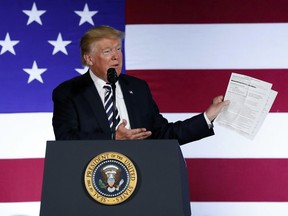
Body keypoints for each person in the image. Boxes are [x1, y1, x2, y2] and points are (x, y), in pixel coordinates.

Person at [52, 25, 229, 144]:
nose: (116, 56)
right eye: (107, 51)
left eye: (118, 49)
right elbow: (65, 138)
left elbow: (162, 134)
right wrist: (113, 137)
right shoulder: (69, 92)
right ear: (89, 58)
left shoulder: (137, 88)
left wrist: (207, 116)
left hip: (139, 180)